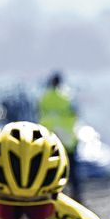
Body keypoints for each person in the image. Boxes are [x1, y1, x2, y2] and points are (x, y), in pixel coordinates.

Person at [38, 72, 83, 203]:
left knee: (52, 171)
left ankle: (53, 196)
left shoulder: (44, 98)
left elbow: (40, 114)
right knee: (72, 171)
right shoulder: (66, 96)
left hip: (50, 138)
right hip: (68, 138)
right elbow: (75, 114)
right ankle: (76, 196)